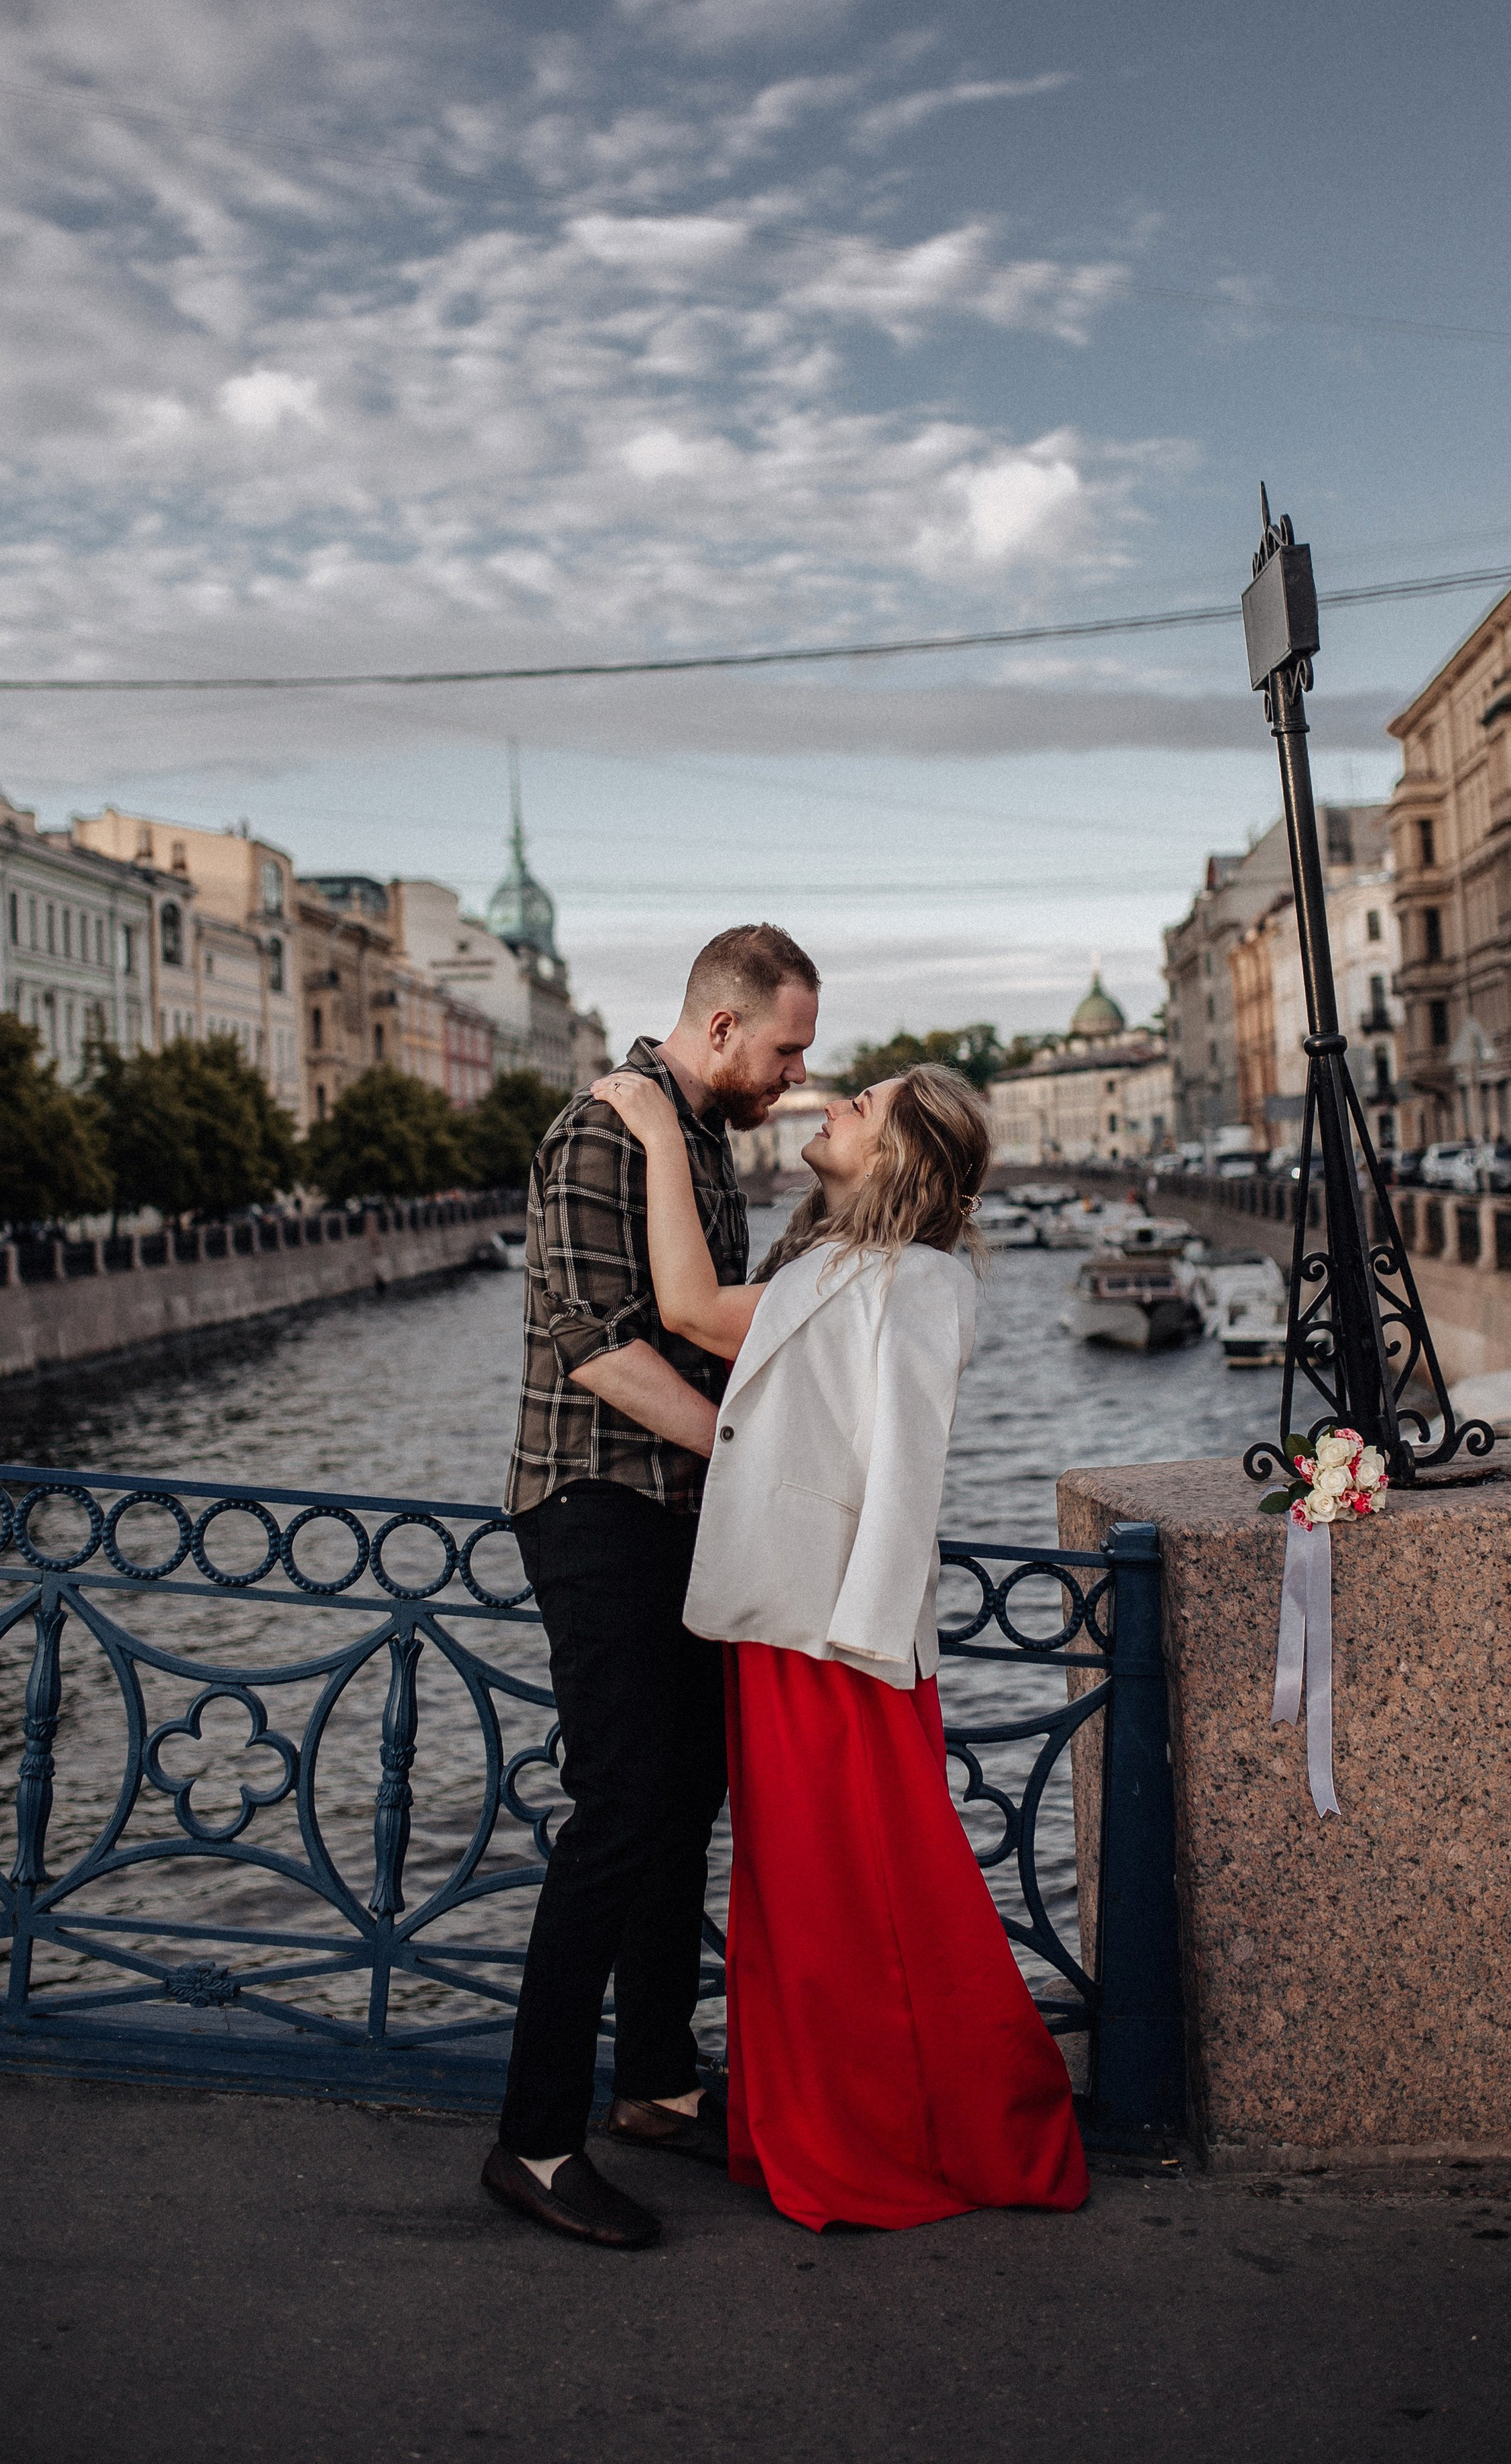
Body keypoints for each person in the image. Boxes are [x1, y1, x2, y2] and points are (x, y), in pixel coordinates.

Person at [586, 1058, 1089, 2235]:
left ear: (901, 1154)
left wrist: (660, 1135)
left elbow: (688, 1312)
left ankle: (884, 2129)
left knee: (837, 1897)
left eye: (858, 1107)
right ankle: (832, 2118)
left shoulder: (909, 1280)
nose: (831, 1107)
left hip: (833, 1633)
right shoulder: (864, 1272)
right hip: (802, 1619)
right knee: (816, 1892)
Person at [482, 923, 822, 2252]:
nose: (797, 1073)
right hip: (593, 1506)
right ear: (724, 1027)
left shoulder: (702, 1136)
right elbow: (593, 1351)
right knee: (621, 1807)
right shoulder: (601, 1132)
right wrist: (741, 1447)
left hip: (674, 1511)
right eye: (788, 1047)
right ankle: (535, 2140)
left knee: (686, 1799)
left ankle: (658, 2082)